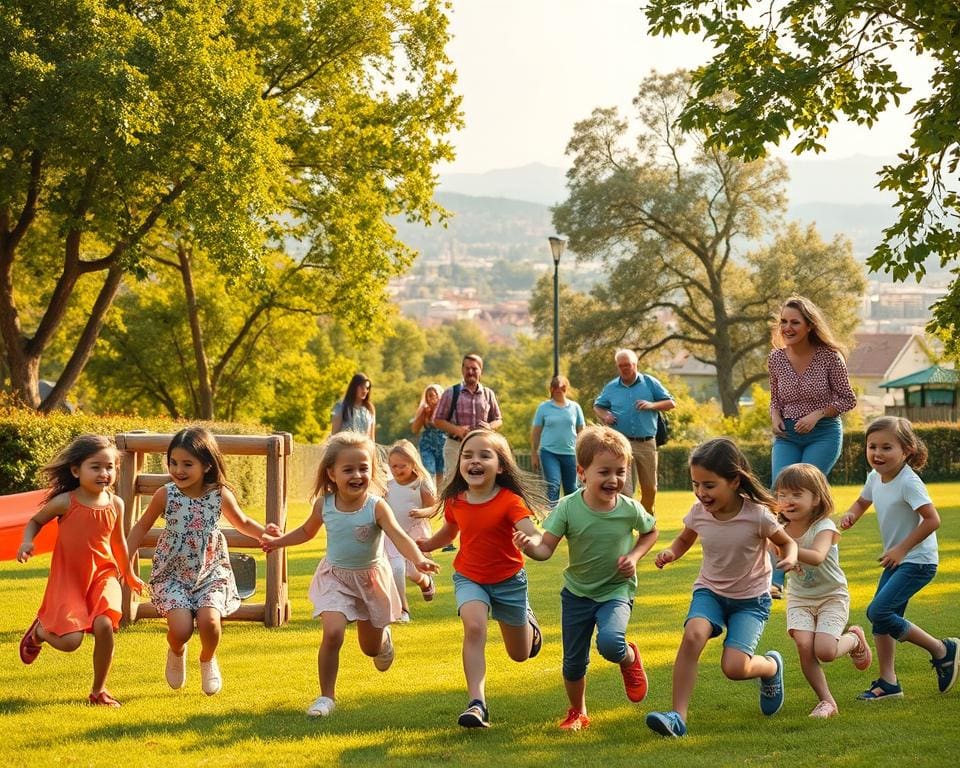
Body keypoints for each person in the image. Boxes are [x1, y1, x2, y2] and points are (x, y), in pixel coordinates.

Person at [261, 432, 439, 717]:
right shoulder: (325, 505)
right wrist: (278, 541)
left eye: (363, 468)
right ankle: (325, 697)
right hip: (336, 578)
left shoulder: (376, 506)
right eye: (348, 469)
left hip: (370, 580)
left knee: (370, 649)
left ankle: (383, 641)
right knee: (332, 633)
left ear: (371, 470)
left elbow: (399, 536)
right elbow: (307, 532)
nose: (357, 475)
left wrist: (418, 559)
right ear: (331, 473)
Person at [645, 438, 798, 738]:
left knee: (734, 668)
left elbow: (786, 542)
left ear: (734, 480)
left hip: (751, 601)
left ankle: (770, 668)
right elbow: (684, 539)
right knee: (693, 635)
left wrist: (790, 558)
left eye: (709, 485)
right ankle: (677, 717)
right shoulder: (699, 512)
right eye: (696, 484)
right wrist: (670, 553)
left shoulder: (757, 515)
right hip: (710, 592)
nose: (701, 493)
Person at [515, 425, 658, 731]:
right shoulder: (568, 507)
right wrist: (530, 548)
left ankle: (629, 657)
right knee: (574, 662)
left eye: (620, 472)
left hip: (616, 591)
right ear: (582, 472)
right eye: (604, 472)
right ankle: (578, 712)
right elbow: (545, 550)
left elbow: (650, 532)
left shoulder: (630, 509)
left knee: (609, 643)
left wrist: (633, 557)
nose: (614, 480)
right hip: (577, 594)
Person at [126, 427, 273, 696]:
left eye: (187, 464)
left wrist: (266, 534)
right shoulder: (166, 494)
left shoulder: (219, 494)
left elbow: (242, 523)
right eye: (173, 463)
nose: (178, 470)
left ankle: (207, 659)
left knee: (210, 623)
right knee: (180, 630)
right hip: (173, 574)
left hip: (210, 572)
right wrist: (125, 562)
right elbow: (140, 528)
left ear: (206, 465)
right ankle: (176, 650)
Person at [417, 429, 546, 729]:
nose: (474, 461)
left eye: (484, 455)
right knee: (474, 627)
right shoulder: (455, 501)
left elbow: (533, 531)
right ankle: (477, 703)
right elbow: (450, 532)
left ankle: (528, 621)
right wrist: (424, 546)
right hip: (469, 577)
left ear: (500, 466)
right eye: (468, 455)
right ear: (460, 462)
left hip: (509, 581)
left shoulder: (509, 501)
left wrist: (532, 542)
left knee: (520, 654)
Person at [17, 435, 145, 707]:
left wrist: (129, 574)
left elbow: (118, 543)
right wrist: (28, 541)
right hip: (70, 579)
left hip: (104, 575)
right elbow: (36, 521)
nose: (104, 473)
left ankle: (99, 691)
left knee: (104, 625)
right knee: (70, 642)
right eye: (96, 467)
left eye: (110, 467)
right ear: (76, 470)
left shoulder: (116, 504)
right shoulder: (66, 502)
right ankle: (39, 632)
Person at [840, 416, 958, 700]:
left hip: (918, 561)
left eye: (886, 447)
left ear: (906, 451)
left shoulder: (909, 482)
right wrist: (851, 515)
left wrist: (902, 549)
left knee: (878, 611)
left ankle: (943, 651)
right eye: (872, 446)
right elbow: (862, 500)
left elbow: (932, 520)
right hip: (898, 560)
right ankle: (888, 683)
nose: (877, 454)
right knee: (881, 621)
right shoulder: (874, 477)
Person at [768, 296, 857, 597]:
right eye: (784, 322)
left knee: (804, 495)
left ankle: (816, 558)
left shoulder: (830, 357)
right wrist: (775, 415)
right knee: (779, 498)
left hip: (823, 433)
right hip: (787, 435)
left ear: (808, 326)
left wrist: (817, 414)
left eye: (795, 322)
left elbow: (848, 399)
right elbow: (775, 398)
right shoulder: (776, 358)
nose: (788, 327)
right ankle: (776, 579)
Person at [774, 463, 873, 718]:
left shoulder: (824, 527)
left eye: (797, 494)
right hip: (799, 598)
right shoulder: (778, 530)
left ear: (816, 497)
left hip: (831, 597)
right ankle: (826, 702)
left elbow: (817, 556)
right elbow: (763, 558)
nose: (788, 501)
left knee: (826, 651)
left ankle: (854, 640)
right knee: (804, 645)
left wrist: (788, 548)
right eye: (782, 495)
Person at [593, 348, 674, 513]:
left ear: (635, 364)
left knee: (650, 488)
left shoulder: (650, 383)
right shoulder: (611, 387)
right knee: (624, 489)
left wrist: (652, 405)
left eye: (627, 365)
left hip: (646, 442)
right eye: (620, 365)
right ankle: (627, 524)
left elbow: (671, 403)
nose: (624, 368)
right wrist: (605, 416)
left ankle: (646, 520)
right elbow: (598, 406)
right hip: (620, 444)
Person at [385, 439, 438, 621]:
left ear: (413, 463)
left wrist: (422, 512)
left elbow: (434, 507)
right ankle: (402, 611)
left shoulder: (421, 483)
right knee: (397, 569)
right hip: (393, 534)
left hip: (415, 533)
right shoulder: (388, 485)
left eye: (402, 466)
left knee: (413, 572)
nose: (397, 470)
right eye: (393, 466)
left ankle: (426, 582)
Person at [433, 354, 503, 484]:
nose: (470, 372)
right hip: (455, 445)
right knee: (453, 483)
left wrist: (489, 427)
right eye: (467, 368)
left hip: (482, 447)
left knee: (480, 482)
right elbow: (437, 420)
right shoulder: (451, 393)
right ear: (462, 369)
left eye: (474, 369)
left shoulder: (488, 394)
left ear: (481, 371)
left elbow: (498, 419)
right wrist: (457, 429)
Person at [531, 375, 585, 507]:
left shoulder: (575, 407)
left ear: (567, 388)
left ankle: (572, 516)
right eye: (555, 386)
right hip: (549, 452)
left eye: (562, 387)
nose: (559, 389)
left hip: (571, 453)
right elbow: (536, 431)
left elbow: (582, 432)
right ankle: (552, 518)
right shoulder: (543, 408)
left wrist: (583, 455)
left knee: (571, 488)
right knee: (553, 484)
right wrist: (534, 453)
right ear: (551, 388)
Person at [411, 383, 446, 491]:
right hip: (427, 444)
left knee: (441, 473)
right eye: (429, 395)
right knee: (429, 470)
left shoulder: (446, 410)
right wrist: (423, 414)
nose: (433, 397)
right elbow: (414, 429)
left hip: (443, 443)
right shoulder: (424, 410)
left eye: (435, 394)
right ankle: (428, 493)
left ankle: (439, 500)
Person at [331, 373, 376, 439]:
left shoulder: (370, 408)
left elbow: (372, 437)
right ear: (354, 387)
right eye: (362, 387)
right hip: (345, 447)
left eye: (367, 388)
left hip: (363, 447)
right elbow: (334, 434)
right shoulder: (341, 407)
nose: (365, 391)